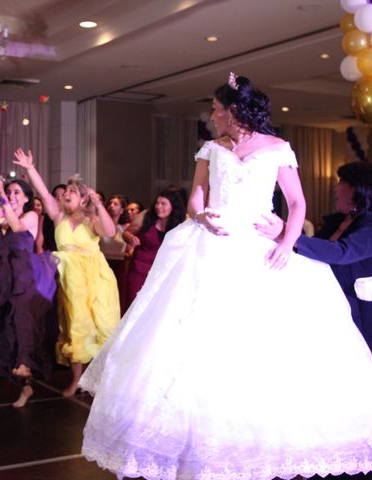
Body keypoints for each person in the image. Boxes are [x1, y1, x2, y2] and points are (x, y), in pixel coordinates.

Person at [79, 74, 372, 480]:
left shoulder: (278, 148)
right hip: (210, 245)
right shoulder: (211, 149)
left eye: (217, 110)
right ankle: (200, 442)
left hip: (258, 246)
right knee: (194, 340)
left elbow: (297, 202)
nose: (212, 116)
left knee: (259, 345)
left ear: (234, 112)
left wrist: (287, 244)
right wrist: (201, 215)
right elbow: (197, 195)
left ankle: (253, 440)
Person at [14, 149, 120, 397]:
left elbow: (110, 231)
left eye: (72, 192)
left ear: (83, 200)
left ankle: (102, 382)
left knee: (101, 326)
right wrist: (30, 168)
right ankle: (77, 380)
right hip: (71, 281)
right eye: (66, 192)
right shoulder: (58, 215)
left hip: (96, 279)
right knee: (75, 328)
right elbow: (42, 191)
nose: (66, 195)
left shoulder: (91, 219)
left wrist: (99, 204)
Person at [257, 160, 372, 352]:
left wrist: (288, 234)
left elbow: (340, 252)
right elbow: (313, 251)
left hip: (358, 305)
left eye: (341, 183)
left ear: (355, 189)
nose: (336, 189)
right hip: (329, 295)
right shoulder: (340, 221)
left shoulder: (369, 225)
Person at [0, 179, 57, 408]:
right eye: (9, 191)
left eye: (16, 192)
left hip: (25, 277)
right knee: (8, 329)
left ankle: (25, 363)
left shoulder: (30, 216)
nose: (12, 195)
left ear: (25, 198)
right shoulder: (1, 217)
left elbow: (17, 228)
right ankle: (25, 386)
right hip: (4, 278)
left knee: (22, 319)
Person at [122, 188, 186, 310]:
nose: (158, 207)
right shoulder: (146, 216)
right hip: (139, 270)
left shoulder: (180, 223)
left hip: (163, 273)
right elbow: (126, 233)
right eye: (157, 203)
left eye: (163, 204)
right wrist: (130, 238)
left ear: (173, 206)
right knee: (134, 307)